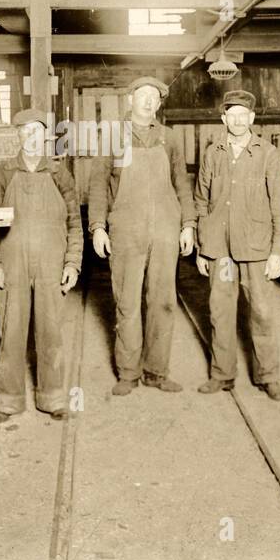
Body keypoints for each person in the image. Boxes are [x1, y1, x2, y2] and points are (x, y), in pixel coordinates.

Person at [88, 76, 195, 395]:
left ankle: (157, 371)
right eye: (142, 95)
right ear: (130, 99)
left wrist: (187, 223)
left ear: (160, 104)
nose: (149, 102)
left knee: (163, 301)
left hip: (165, 227)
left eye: (155, 97)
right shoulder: (112, 137)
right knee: (127, 301)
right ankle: (128, 372)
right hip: (126, 227)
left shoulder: (170, 138)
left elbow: (182, 183)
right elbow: (97, 185)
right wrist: (98, 227)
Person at [0, 109, 83, 422]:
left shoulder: (59, 173)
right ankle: (8, 399)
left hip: (51, 263)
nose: (31, 137)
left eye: (36, 131)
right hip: (12, 264)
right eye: (25, 132)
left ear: (46, 134)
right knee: (11, 332)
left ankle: (52, 397)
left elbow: (75, 223)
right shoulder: (3, 173)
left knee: (51, 332)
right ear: (18, 136)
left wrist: (72, 264)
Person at [194, 89, 280, 400]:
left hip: (256, 249)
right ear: (224, 119)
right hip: (220, 251)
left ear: (251, 118)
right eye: (230, 115)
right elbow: (201, 201)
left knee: (261, 312)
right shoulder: (213, 153)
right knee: (220, 312)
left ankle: (269, 376)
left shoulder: (267, 154)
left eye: (242, 115)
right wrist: (202, 248)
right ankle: (222, 374)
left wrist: (278, 251)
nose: (236, 120)